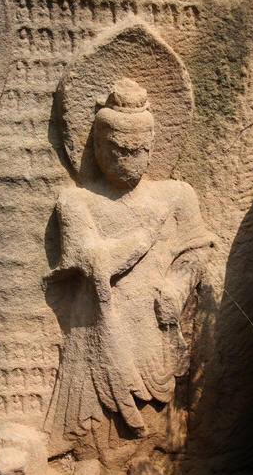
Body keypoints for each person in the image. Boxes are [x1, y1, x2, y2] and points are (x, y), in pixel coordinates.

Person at [45, 78, 212, 448]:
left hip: (155, 325)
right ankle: (88, 460)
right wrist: (144, 235)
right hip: (100, 327)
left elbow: (195, 253)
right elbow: (95, 261)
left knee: (156, 426)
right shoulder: (76, 202)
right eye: (117, 150)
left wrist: (177, 288)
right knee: (94, 433)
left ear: (152, 147)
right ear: (97, 145)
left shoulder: (177, 196)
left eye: (137, 151)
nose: (126, 160)